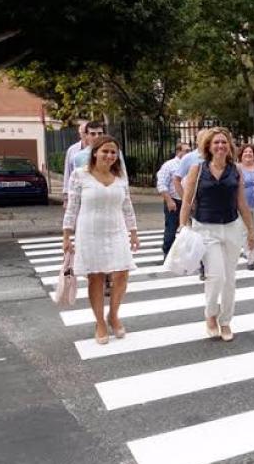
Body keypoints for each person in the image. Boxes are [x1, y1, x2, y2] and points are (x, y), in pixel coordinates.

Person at [179, 127, 254, 342]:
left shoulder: (235, 170)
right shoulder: (197, 169)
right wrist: (182, 226)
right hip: (206, 228)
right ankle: (210, 315)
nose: (220, 146)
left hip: (232, 227)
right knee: (216, 276)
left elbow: (242, 202)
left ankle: (226, 321)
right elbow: (187, 201)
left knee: (230, 278)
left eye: (224, 142)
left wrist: (251, 231)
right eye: (216, 143)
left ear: (229, 146)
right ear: (208, 147)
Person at [62, 136, 139, 345]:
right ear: (94, 152)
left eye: (113, 152)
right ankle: (100, 322)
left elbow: (127, 206)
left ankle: (113, 315)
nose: (109, 156)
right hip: (90, 231)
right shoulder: (80, 175)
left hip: (117, 230)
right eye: (105, 151)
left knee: (122, 273)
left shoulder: (121, 178)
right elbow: (72, 207)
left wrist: (133, 231)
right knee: (95, 276)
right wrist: (67, 235)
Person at [174, 128, 213, 280]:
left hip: (214, 206)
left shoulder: (217, 156)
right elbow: (176, 179)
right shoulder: (190, 159)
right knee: (200, 236)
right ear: (198, 141)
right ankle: (203, 266)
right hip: (196, 205)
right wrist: (186, 200)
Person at [156, 142, 191, 258]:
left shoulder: (192, 165)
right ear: (178, 151)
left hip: (190, 201)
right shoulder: (169, 165)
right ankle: (168, 253)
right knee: (171, 230)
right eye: (186, 151)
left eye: (190, 150)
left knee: (191, 230)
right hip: (175, 201)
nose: (189, 153)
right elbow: (161, 184)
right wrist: (169, 200)